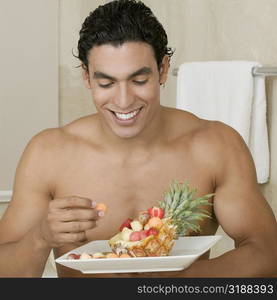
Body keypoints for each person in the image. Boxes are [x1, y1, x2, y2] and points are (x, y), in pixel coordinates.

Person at [0, 0, 276, 278]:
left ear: (163, 69)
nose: (123, 101)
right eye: (106, 83)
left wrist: (182, 281)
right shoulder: (49, 153)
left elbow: (267, 253)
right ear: (86, 76)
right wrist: (40, 238)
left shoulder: (215, 146)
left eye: (139, 81)